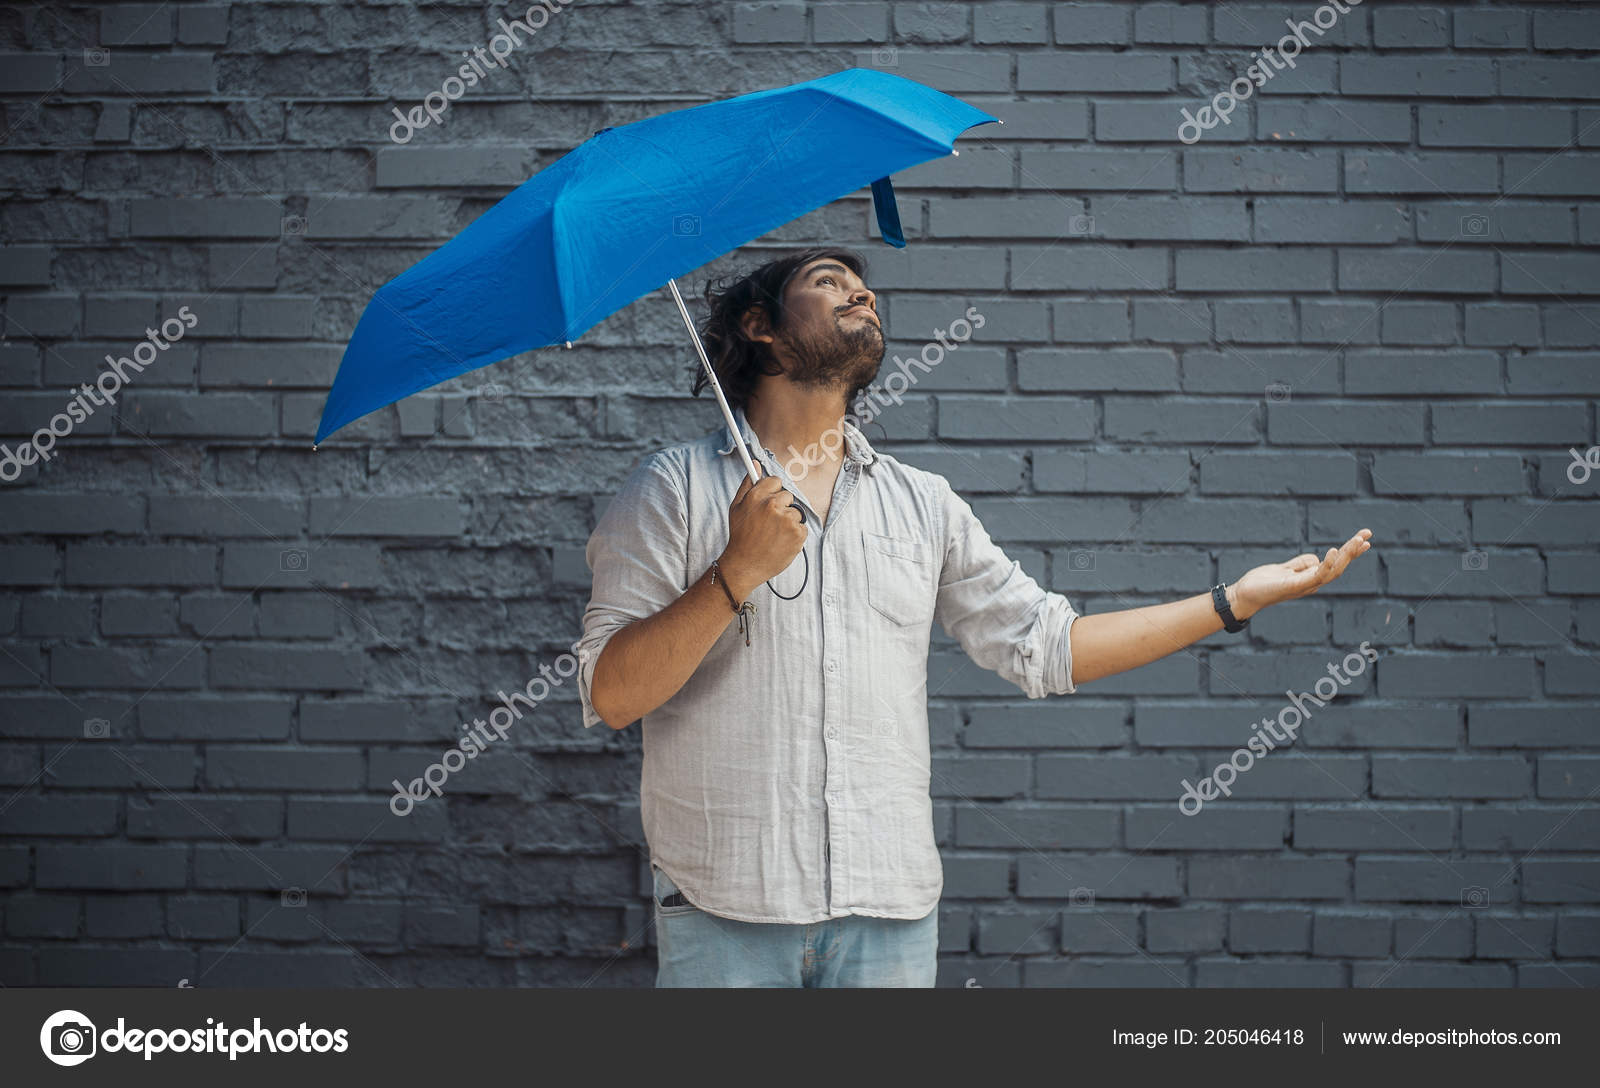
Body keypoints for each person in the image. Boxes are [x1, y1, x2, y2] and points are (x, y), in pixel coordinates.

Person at [574, 246, 1373, 987]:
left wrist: (1233, 600)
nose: (862, 290)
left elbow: (1050, 647)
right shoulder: (673, 491)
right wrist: (735, 570)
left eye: (862, 282)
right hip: (724, 911)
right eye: (826, 279)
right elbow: (613, 694)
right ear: (761, 328)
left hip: (888, 914)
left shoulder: (923, 504)